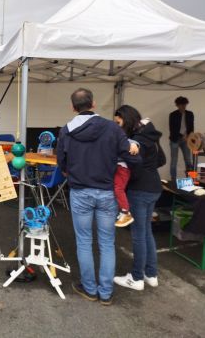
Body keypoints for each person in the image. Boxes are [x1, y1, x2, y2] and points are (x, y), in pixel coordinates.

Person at [57, 88, 140, 306]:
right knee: (107, 243)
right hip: (106, 193)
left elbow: (61, 162)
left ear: (73, 107)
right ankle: (106, 293)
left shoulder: (66, 130)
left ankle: (90, 288)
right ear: (93, 104)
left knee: (84, 242)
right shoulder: (112, 128)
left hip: (80, 191)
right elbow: (128, 154)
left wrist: (71, 172)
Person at [114, 105, 163, 291]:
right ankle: (151, 274)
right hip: (154, 187)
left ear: (126, 119)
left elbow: (133, 157)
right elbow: (162, 160)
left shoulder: (136, 140)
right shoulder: (150, 133)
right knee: (146, 232)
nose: (118, 126)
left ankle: (136, 278)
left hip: (140, 190)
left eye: (119, 122)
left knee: (138, 236)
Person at [113, 117, 140, 228]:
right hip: (118, 168)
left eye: (118, 122)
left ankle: (125, 211)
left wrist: (134, 145)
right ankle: (123, 211)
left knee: (118, 189)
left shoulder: (120, 135)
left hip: (122, 168)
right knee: (116, 189)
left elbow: (131, 141)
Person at [169, 96, 194, 179]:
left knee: (188, 160)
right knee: (174, 161)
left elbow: (191, 128)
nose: (183, 106)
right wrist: (182, 136)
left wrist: (189, 136)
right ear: (177, 105)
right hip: (175, 139)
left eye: (184, 104)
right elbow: (172, 129)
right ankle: (173, 180)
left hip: (186, 140)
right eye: (181, 105)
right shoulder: (173, 115)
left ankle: (190, 179)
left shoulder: (190, 114)